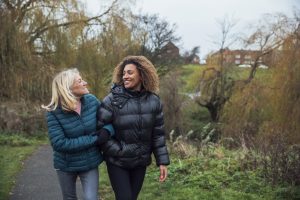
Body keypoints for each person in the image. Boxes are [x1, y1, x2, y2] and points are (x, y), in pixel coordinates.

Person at [97, 56, 170, 200]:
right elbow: (100, 131)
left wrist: (162, 161)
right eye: (123, 73)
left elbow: (158, 134)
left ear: (142, 75)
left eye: (130, 73)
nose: (125, 76)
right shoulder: (112, 100)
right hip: (118, 162)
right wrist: (119, 150)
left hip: (140, 162)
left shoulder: (154, 101)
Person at [42, 68, 114, 200]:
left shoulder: (91, 101)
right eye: (80, 81)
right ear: (67, 87)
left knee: (91, 198)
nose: (85, 83)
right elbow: (59, 143)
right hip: (66, 165)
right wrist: (94, 139)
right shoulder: (53, 111)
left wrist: (107, 131)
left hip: (90, 162)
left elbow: (108, 121)